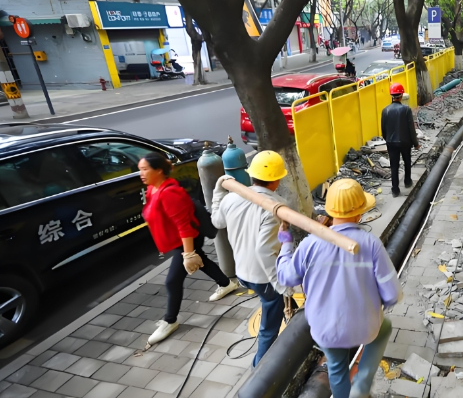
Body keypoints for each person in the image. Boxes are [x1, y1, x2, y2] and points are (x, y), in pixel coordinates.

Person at [276, 179, 403, 398]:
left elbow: (286, 277)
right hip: (365, 327)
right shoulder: (371, 244)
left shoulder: (310, 244)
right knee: (384, 328)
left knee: (336, 367)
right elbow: (392, 294)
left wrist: (285, 242)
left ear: (329, 211)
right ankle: (362, 384)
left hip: (325, 330)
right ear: (360, 213)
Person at [139, 152, 238, 346]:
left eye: (144, 169)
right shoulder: (153, 188)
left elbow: (184, 226)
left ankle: (170, 320)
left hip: (186, 240)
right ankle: (226, 283)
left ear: (158, 171)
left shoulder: (169, 193)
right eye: (140, 169)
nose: (141, 173)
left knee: (172, 281)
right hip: (180, 240)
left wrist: (188, 253)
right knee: (202, 262)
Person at [211, 150, 289, 366]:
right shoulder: (276, 207)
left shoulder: (232, 197)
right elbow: (265, 251)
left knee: (270, 307)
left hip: (242, 272)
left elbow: (217, 222)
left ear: (251, 175)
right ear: (277, 180)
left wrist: (218, 191)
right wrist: (280, 285)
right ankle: (260, 370)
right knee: (268, 326)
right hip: (263, 278)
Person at [381, 83, 420, 197]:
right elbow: (411, 128)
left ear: (391, 95)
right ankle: (407, 181)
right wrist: (415, 143)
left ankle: (395, 190)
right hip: (405, 142)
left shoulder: (385, 110)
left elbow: (383, 129)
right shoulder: (406, 109)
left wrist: (388, 139)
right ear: (401, 95)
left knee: (394, 165)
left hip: (391, 142)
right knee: (407, 161)